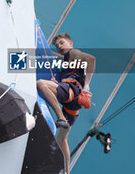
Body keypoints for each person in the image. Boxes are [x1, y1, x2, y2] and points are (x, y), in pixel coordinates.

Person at [37, 33, 96, 173]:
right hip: (74, 104)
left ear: (71, 43)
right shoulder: (67, 58)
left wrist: (87, 85)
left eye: (62, 43)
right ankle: (67, 171)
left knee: (42, 84)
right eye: (57, 45)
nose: (59, 46)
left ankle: (60, 117)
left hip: (71, 89)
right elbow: (52, 56)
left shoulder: (73, 52)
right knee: (62, 139)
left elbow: (92, 59)